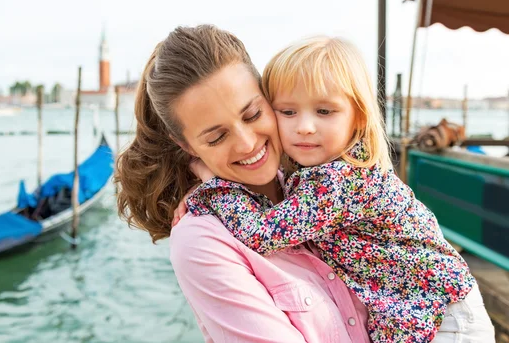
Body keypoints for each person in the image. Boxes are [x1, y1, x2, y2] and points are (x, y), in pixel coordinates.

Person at [183, 36, 495, 343]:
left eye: (324, 112)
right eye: (287, 112)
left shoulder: (338, 181)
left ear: (358, 116)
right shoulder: (322, 171)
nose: (305, 126)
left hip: (444, 318)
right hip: (426, 313)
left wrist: (215, 185)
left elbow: (262, 233)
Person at [115, 25, 371, 342]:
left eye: (252, 114)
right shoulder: (201, 241)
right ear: (188, 146)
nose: (247, 143)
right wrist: (217, 191)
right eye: (217, 137)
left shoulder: (319, 184)